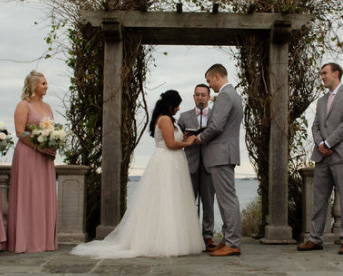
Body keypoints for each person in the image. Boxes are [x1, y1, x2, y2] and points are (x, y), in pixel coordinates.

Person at [71, 90, 205, 259]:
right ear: (171, 105)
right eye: (177, 105)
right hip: (167, 162)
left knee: (171, 200)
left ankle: (166, 237)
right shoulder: (164, 119)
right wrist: (188, 141)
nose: (179, 108)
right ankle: (163, 241)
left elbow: (170, 139)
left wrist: (182, 137)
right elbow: (170, 144)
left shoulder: (168, 120)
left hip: (172, 162)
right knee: (166, 199)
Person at [7, 70, 57, 253]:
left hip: (45, 157)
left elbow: (52, 130)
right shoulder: (23, 105)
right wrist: (39, 146)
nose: (46, 86)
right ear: (34, 85)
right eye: (43, 83)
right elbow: (20, 132)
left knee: (43, 196)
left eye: (46, 83)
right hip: (28, 154)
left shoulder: (48, 107)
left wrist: (53, 145)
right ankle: (25, 241)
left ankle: (43, 241)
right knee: (28, 195)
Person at [196, 64, 243, 256]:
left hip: (220, 155)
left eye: (209, 81)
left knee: (227, 200)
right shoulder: (234, 95)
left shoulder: (224, 95)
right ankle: (228, 240)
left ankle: (232, 243)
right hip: (225, 154)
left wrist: (198, 138)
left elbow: (216, 126)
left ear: (216, 77)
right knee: (227, 200)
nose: (210, 85)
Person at [297, 63, 343, 255]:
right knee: (319, 200)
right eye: (321, 73)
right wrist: (320, 144)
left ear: (336, 74)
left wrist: (329, 143)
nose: (321, 76)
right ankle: (315, 239)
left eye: (325, 73)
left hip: (340, 155)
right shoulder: (322, 101)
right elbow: (315, 126)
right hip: (322, 157)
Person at [178, 84, 216, 252]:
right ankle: (189, 236)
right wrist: (184, 136)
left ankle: (208, 237)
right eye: (197, 95)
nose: (200, 98)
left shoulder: (216, 115)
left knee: (208, 202)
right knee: (189, 203)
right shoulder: (184, 116)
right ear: (193, 97)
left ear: (209, 97)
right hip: (190, 164)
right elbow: (176, 137)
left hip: (210, 164)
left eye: (203, 95)